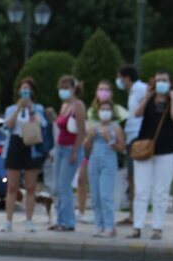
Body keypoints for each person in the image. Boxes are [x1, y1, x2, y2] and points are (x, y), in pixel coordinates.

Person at [131, 69, 173, 239]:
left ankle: (157, 227)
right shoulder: (149, 100)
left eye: (164, 80)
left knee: (161, 191)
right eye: (158, 80)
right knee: (141, 190)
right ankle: (137, 225)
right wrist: (147, 96)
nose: (161, 83)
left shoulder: (172, 101)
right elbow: (137, 113)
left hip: (167, 151)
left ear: (170, 83)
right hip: (145, 149)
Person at [1, 76, 46, 233]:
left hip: (31, 145)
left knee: (30, 186)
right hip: (15, 144)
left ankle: (29, 219)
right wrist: (19, 108)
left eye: (28, 89)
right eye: (23, 88)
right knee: (12, 186)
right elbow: (8, 126)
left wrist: (31, 109)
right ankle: (8, 221)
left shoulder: (38, 108)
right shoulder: (12, 109)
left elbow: (42, 125)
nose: (25, 91)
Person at [83, 82, 125, 237]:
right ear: (98, 111)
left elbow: (122, 148)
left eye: (108, 110)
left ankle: (109, 226)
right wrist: (89, 137)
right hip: (94, 159)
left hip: (109, 159)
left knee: (105, 195)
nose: (105, 112)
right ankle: (99, 225)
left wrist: (111, 140)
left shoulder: (116, 127)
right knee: (94, 195)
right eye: (103, 109)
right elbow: (86, 148)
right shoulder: (93, 126)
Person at [50, 74, 85, 232]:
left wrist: (75, 151)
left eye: (66, 88)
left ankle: (68, 221)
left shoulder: (78, 106)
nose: (63, 91)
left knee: (65, 186)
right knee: (57, 186)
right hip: (60, 148)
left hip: (71, 148)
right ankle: (60, 219)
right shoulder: (64, 106)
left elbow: (81, 131)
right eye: (61, 88)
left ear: (73, 89)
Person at [116, 63, 149, 224]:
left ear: (127, 78)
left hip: (138, 137)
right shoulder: (133, 92)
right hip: (131, 136)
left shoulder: (141, 89)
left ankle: (136, 215)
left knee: (135, 177)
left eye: (120, 78)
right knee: (131, 177)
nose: (119, 81)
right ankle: (133, 214)